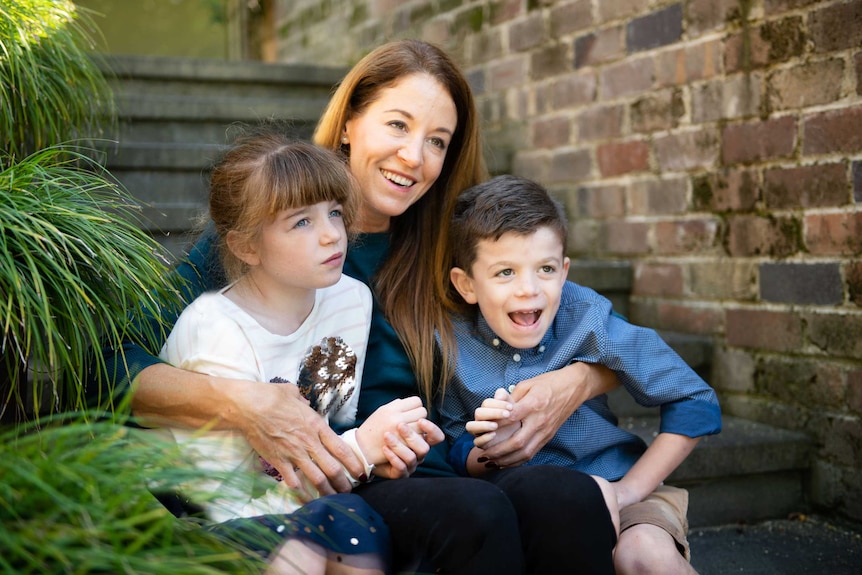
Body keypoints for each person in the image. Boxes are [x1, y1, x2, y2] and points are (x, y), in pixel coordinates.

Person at [99, 40, 620, 574]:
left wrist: (575, 382)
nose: (415, 157)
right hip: (343, 476)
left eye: (437, 141)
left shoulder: (459, 241)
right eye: (398, 125)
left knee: (569, 499)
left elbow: (607, 334)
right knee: (476, 513)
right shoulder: (268, 233)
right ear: (349, 123)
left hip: (451, 460)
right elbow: (118, 366)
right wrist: (248, 405)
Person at [154, 132, 439, 573]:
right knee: (340, 523)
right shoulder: (215, 331)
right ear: (247, 247)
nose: (332, 236)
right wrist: (361, 450)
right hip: (199, 517)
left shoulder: (350, 299)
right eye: (301, 222)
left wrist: (383, 449)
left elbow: (321, 438)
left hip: (298, 500)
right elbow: (230, 503)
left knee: (350, 520)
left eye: (336, 213)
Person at [439, 174, 724, 575]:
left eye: (546, 269)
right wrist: (490, 448)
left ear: (565, 270)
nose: (529, 289)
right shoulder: (449, 344)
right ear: (466, 284)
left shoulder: (588, 318)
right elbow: (452, 446)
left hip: (617, 485)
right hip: (528, 509)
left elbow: (695, 401)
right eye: (505, 272)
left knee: (642, 553)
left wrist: (626, 492)